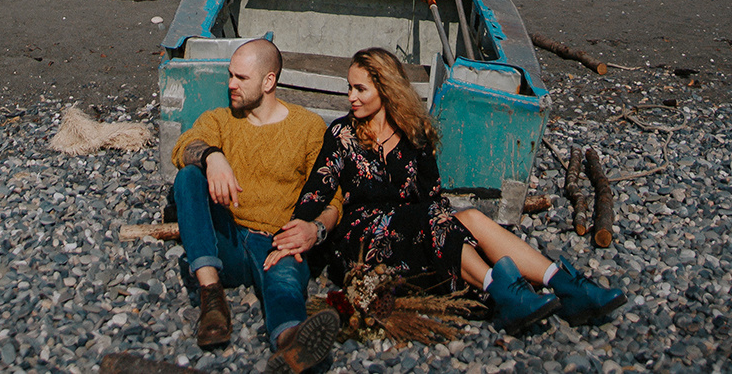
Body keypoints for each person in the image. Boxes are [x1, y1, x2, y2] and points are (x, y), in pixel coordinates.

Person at [267, 47, 627, 333]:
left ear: (387, 88)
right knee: (434, 218)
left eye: (360, 88)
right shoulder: (341, 135)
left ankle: (567, 286)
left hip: (418, 230)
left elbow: (433, 196)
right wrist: (302, 230)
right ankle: (504, 292)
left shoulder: (415, 134)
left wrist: (451, 228)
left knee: (466, 217)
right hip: (362, 240)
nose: (351, 97)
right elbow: (317, 192)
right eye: (350, 88)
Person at [170, 37, 341, 374]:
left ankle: (291, 343)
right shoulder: (220, 119)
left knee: (285, 281)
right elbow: (181, 148)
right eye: (230, 75)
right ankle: (212, 296)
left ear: (269, 81)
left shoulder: (308, 128)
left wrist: (315, 229)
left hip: (276, 240)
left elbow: (332, 197)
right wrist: (212, 155)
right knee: (188, 177)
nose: (231, 84)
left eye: (241, 78)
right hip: (228, 240)